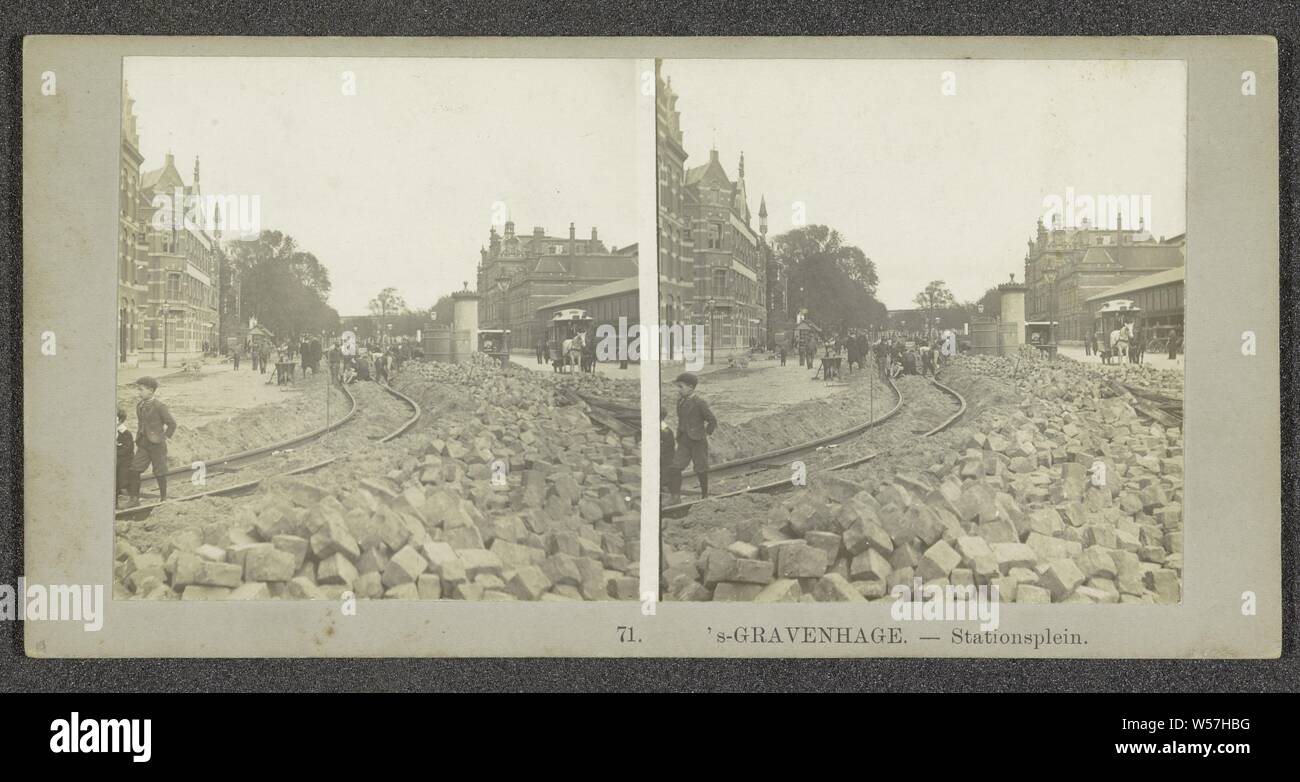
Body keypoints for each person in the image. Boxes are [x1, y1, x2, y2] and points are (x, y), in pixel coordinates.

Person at [666, 372, 717, 504]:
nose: (678, 390)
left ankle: (704, 495)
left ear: (690, 387)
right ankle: (675, 497)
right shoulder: (680, 402)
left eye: (680, 387)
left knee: (701, 468)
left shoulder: (700, 403)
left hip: (698, 442)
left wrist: (705, 434)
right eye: (678, 387)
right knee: (674, 468)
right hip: (684, 441)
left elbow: (712, 421)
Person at [129, 376, 176, 504]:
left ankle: (163, 498)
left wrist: (165, 437)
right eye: (138, 390)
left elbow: (172, 424)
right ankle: (134, 499)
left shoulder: (160, 406)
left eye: (141, 390)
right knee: (134, 469)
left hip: (157, 445)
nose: (139, 393)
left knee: (159, 472)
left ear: (150, 390)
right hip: (143, 444)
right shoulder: (140, 405)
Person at [116, 405, 138, 508]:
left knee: (125, 479)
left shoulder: (125, 433)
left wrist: (116, 452)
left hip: (125, 460)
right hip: (116, 460)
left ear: (120, 420)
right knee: (113, 480)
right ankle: (114, 502)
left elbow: (128, 448)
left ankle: (133, 498)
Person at [660, 407, 676, 504]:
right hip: (663, 454)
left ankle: (666, 492)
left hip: (666, 456)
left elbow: (669, 443)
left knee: (665, 472)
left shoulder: (664, 428)